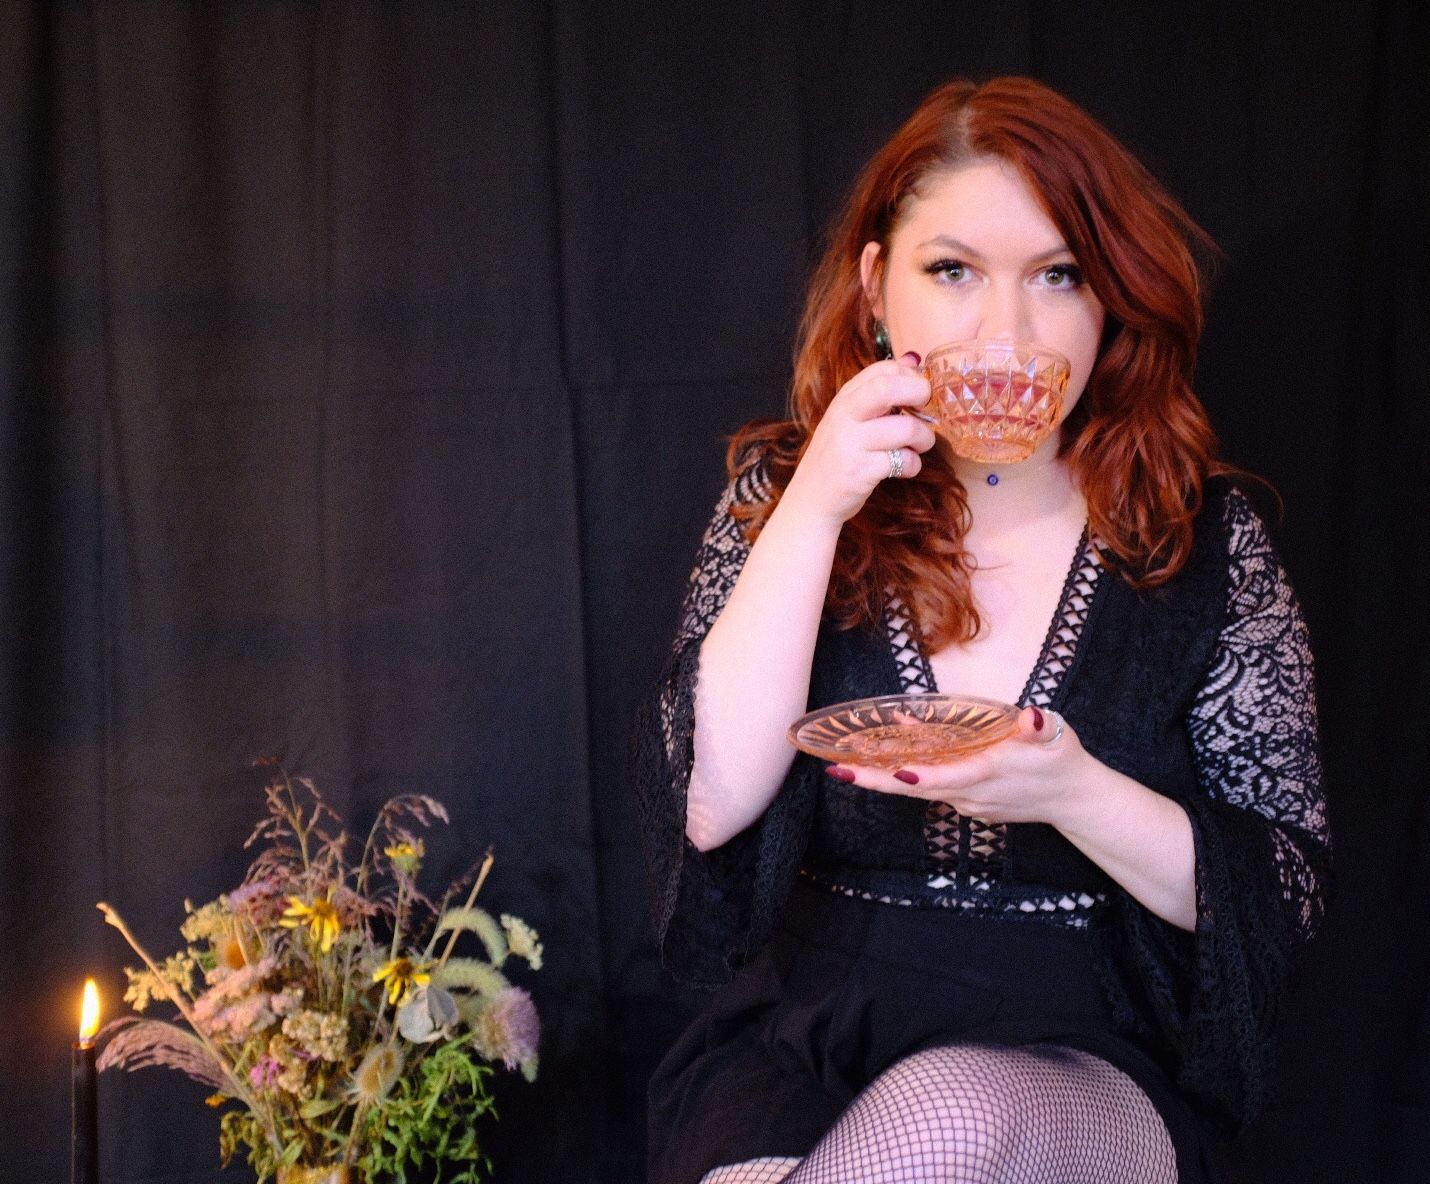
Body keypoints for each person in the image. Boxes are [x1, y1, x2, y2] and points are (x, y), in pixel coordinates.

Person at [632, 76, 1330, 1184]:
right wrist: (815, 505)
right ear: (877, 287)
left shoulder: (1201, 543)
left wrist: (1071, 791)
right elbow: (712, 805)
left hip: (1084, 1054)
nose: (1004, 331)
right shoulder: (784, 499)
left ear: (1109, 302)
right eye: (952, 271)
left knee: (952, 1120)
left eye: (1057, 275)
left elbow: (1280, 896)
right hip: (809, 1037)